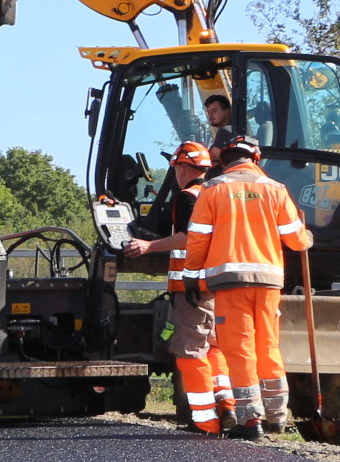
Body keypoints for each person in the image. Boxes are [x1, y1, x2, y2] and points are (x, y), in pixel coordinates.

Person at [183, 135, 311, 440]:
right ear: (256, 158)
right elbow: (295, 239)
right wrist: (308, 238)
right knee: (267, 344)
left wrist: (191, 276)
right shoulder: (276, 189)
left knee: (239, 348)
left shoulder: (212, 190)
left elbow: (198, 238)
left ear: (224, 161)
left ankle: (250, 420)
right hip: (268, 283)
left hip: (230, 283)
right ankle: (277, 417)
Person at [117, 141, 229, 433]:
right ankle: (227, 404)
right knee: (214, 346)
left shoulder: (188, 196)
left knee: (190, 351)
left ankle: (205, 420)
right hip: (219, 285)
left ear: (182, 168)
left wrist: (148, 245)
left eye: (176, 168)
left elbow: (188, 238)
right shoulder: (218, 194)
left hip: (192, 288)